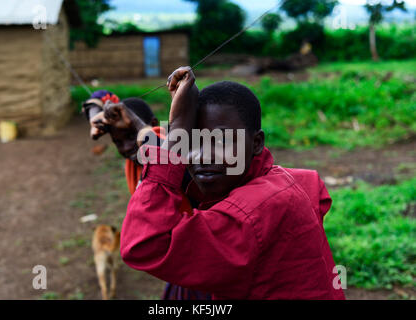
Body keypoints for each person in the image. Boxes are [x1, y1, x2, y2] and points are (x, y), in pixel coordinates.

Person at [117, 67, 346, 299]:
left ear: (256, 142)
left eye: (222, 140)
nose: (202, 156)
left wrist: (177, 129)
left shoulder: (255, 212)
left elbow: (143, 244)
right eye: (191, 143)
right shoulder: (278, 181)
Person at [82, 90, 212, 300]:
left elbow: (166, 158)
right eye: (118, 142)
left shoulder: (176, 151)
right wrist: (95, 112)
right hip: (178, 259)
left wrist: (137, 126)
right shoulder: (135, 163)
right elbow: (101, 94)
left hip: (202, 256)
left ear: (150, 123)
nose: (126, 146)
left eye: (131, 135)